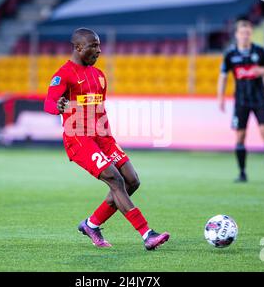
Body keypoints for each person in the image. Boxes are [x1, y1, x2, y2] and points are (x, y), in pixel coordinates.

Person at [44, 28, 170, 250]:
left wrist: (107, 139)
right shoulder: (63, 74)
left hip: (103, 136)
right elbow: (49, 102)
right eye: (94, 45)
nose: (99, 50)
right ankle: (147, 234)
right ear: (78, 47)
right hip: (78, 139)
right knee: (115, 179)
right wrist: (59, 106)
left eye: (100, 45)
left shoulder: (99, 76)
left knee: (132, 180)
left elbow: (99, 110)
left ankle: (91, 224)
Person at [217, 19, 264, 184]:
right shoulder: (230, 54)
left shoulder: (259, 51)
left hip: (259, 100)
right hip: (240, 101)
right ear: (236, 35)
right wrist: (220, 97)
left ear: (251, 34)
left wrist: (261, 70)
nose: (245, 36)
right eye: (242, 33)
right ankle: (242, 173)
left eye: (248, 33)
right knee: (240, 136)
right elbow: (223, 76)